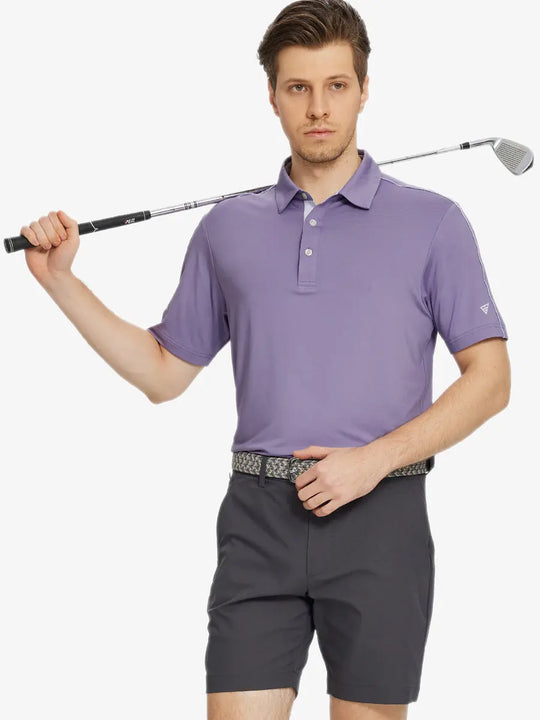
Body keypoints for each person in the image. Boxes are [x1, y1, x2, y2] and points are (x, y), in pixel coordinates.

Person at [21, 1, 511, 718]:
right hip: (258, 517)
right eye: (298, 88)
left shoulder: (433, 222)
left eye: (337, 86)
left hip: (382, 516)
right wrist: (61, 281)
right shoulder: (228, 227)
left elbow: (491, 380)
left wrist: (372, 460)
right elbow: (162, 373)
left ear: (364, 91)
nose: (319, 108)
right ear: (273, 96)